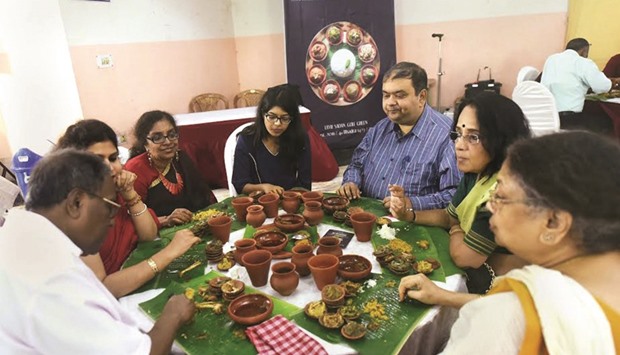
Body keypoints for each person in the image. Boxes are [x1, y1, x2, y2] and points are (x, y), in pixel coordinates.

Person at [399, 131, 620, 354]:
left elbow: (509, 315)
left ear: (553, 223)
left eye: (501, 196)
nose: (490, 206)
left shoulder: (509, 316)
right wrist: (444, 296)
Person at [0, 149, 195, 353]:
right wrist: (174, 315)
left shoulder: (22, 234)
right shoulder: (52, 279)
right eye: (111, 207)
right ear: (76, 203)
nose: (112, 222)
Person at [390, 92, 531, 294]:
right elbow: (449, 215)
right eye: (457, 134)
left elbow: (465, 257)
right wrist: (409, 214)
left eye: (473, 137)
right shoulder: (477, 172)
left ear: (502, 139)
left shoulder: (501, 192)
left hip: (508, 287)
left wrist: (456, 229)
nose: (459, 145)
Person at [57, 119, 200, 297]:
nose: (108, 168)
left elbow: (148, 235)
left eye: (112, 158)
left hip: (135, 276)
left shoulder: (112, 193)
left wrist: (129, 194)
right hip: (105, 302)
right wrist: (169, 253)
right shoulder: (73, 213)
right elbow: (103, 288)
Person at [337, 61, 461, 210]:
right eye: (386, 95)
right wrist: (351, 182)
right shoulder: (380, 128)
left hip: (413, 224)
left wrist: (410, 204)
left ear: (421, 97)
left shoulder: (446, 137)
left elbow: (455, 195)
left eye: (399, 96)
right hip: (368, 215)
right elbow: (356, 165)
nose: (390, 103)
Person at [126, 110, 217, 227]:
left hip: (192, 226)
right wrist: (166, 220)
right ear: (145, 142)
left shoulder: (181, 159)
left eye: (172, 134)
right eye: (157, 137)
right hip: (154, 236)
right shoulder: (136, 171)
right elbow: (130, 220)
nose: (168, 142)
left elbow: (204, 197)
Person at [232, 85, 311, 195]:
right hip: (257, 203)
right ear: (262, 114)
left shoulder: (299, 138)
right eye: (272, 117)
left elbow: (305, 183)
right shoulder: (247, 139)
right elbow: (240, 184)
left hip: (291, 200)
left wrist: (292, 196)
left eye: (285, 118)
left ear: (292, 119)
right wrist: (264, 187)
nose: (277, 124)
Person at [541, 38, 620, 134]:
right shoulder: (583, 62)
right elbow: (602, 87)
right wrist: (613, 82)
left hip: (547, 116)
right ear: (584, 51)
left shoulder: (551, 59)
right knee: (605, 122)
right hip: (571, 119)